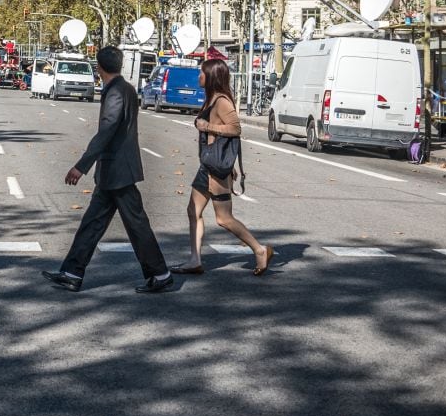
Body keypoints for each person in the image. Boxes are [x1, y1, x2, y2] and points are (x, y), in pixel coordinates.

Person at [42, 45, 173, 293]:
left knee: (136, 225)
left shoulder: (115, 93)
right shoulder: (124, 88)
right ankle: (72, 273)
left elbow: (107, 131)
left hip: (118, 172)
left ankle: (161, 273)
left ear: (98, 67)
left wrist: (81, 166)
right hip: (114, 172)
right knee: (92, 224)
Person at [173, 58, 274, 277]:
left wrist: (207, 126)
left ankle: (259, 250)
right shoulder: (211, 100)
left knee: (223, 219)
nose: (199, 76)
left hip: (215, 170)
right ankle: (195, 260)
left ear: (212, 77)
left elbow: (235, 128)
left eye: (202, 73)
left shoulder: (221, 101)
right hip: (208, 166)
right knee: (193, 211)